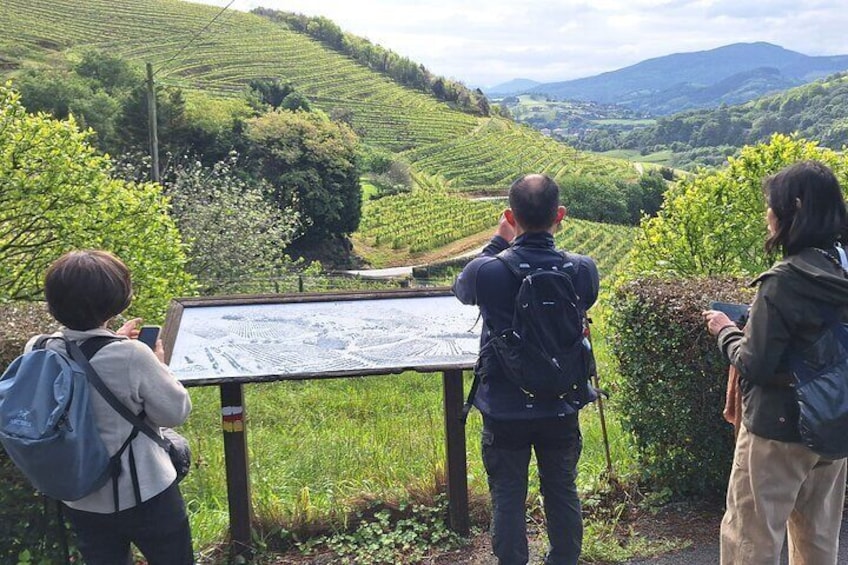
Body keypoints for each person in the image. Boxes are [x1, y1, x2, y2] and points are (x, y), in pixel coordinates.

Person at [703, 160, 848, 565]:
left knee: (751, 537)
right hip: (835, 421)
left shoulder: (784, 281)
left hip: (778, 427)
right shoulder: (842, 266)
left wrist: (724, 330)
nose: (768, 215)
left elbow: (756, 364)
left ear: (795, 208)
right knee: (819, 538)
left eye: (773, 206)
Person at [453, 174, 599, 565]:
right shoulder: (583, 269)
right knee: (562, 491)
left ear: (509, 215)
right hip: (562, 404)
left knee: (507, 496)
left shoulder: (488, 272)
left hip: (504, 406)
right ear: (560, 216)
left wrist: (499, 241)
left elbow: (461, 289)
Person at [27, 250, 194, 565]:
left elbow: (82, 364)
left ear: (53, 303)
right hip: (146, 491)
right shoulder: (132, 356)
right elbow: (175, 413)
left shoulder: (38, 348)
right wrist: (159, 365)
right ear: (121, 301)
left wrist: (109, 342)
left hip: (80, 494)